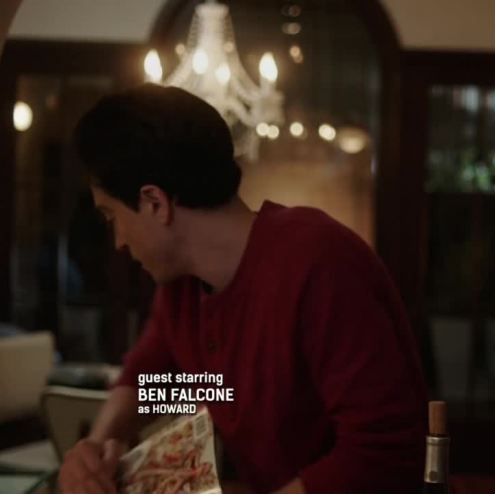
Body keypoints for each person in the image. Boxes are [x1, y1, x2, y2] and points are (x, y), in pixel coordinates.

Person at [57, 83, 427, 494]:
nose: (118, 242)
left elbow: (384, 450)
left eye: (112, 217)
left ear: (154, 203)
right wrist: (97, 447)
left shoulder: (318, 260)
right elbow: (152, 386)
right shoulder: (182, 290)